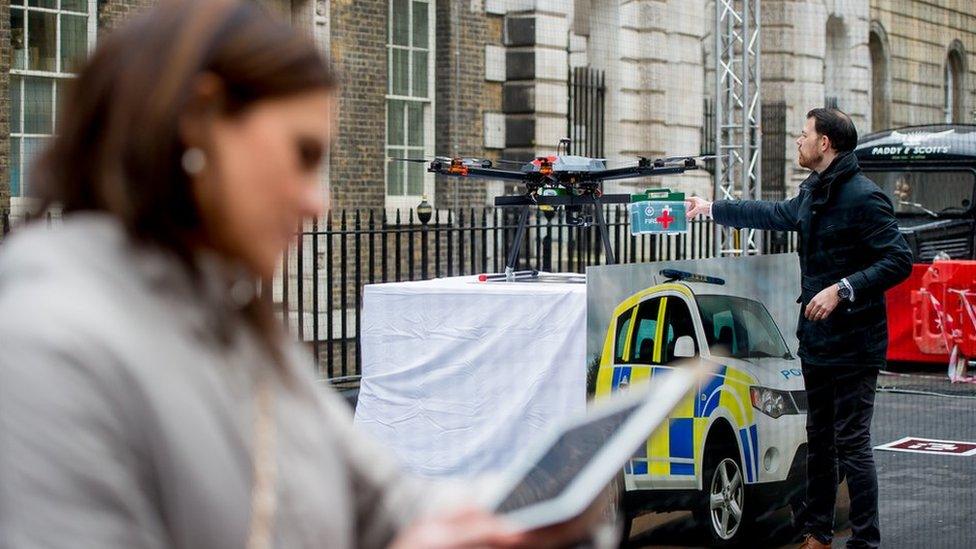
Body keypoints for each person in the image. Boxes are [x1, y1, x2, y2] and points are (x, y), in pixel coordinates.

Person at [0, 2, 604, 548]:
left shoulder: (236, 319)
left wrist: (524, 510)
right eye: (304, 155)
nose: (320, 202)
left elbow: (388, 499)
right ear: (199, 119)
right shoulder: (43, 346)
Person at [685, 108, 912, 549]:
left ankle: (865, 541)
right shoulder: (813, 191)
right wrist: (711, 208)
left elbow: (898, 260)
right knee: (819, 442)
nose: (798, 141)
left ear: (825, 143)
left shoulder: (866, 197)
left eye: (804, 134)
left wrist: (842, 290)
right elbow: (773, 213)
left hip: (855, 344)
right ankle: (818, 534)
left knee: (852, 442)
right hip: (817, 344)